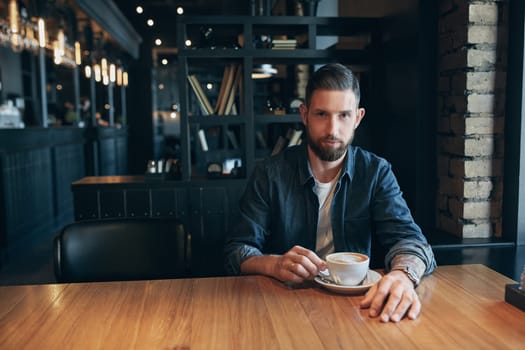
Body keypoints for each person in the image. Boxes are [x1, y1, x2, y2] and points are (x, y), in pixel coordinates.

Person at [224, 63, 436, 323]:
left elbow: (412, 242)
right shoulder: (270, 173)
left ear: (358, 117)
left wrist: (402, 276)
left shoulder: (376, 172)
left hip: (357, 309)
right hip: (283, 306)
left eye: (344, 115)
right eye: (322, 114)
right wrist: (274, 264)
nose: (333, 129)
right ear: (305, 114)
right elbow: (237, 251)